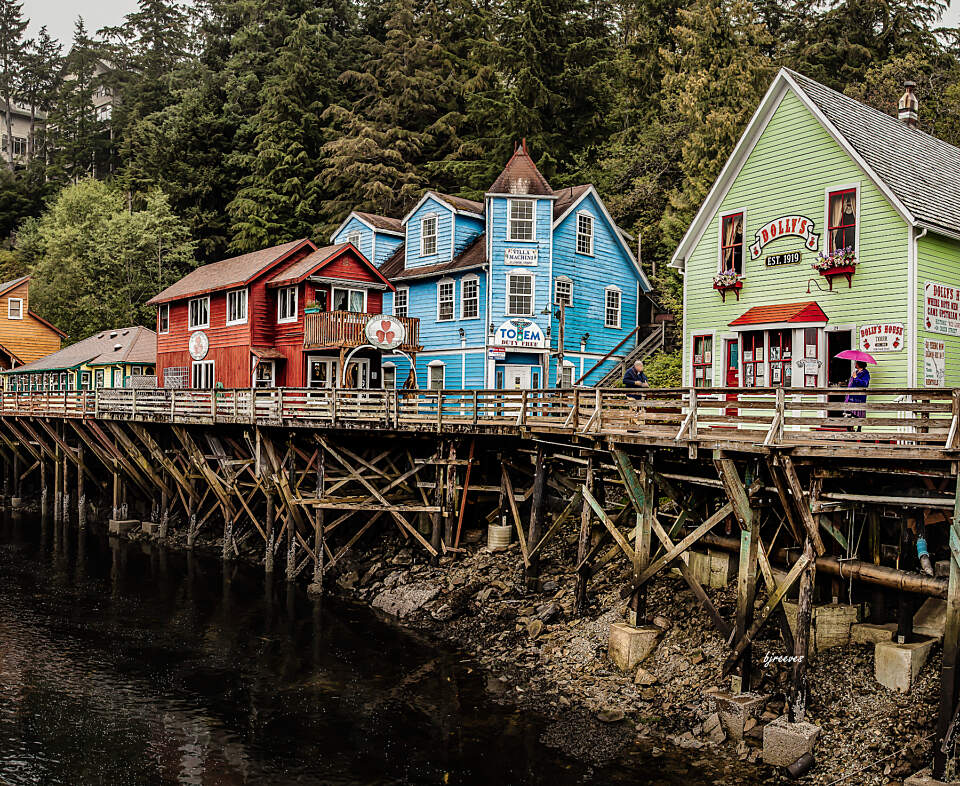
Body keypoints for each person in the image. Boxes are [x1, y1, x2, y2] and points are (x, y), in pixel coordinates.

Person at [844, 361, 870, 431]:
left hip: (858, 397)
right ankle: (849, 429)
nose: (855, 364)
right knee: (848, 413)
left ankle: (859, 429)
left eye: (856, 363)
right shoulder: (856, 372)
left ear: (859, 364)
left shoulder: (865, 373)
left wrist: (855, 378)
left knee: (859, 413)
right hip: (850, 396)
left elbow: (864, 384)